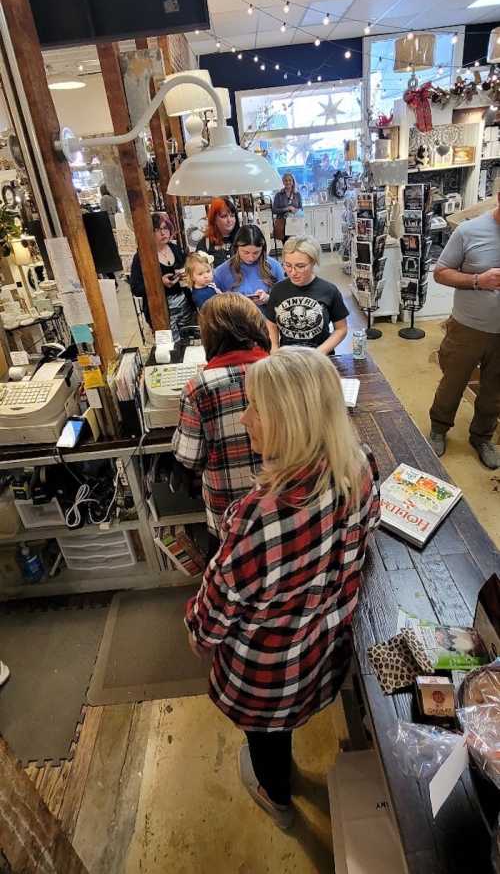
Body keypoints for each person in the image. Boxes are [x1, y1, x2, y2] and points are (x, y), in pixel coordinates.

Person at [185, 348, 380, 828]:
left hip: (268, 673)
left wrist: (194, 624)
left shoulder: (256, 519)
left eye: (255, 407)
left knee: (267, 740)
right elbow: (367, 531)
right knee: (292, 717)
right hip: (321, 650)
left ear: (289, 421)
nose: (244, 417)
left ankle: (278, 800)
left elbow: (208, 626)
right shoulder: (358, 466)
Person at [173, 293, 271, 550]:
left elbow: (190, 457)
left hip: (230, 509)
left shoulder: (198, 388)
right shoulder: (282, 372)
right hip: (281, 501)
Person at [429, 180, 500, 469]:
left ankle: (482, 436)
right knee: (453, 382)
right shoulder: (469, 231)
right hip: (467, 327)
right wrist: (477, 281)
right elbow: (441, 273)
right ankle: (438, 428)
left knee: (495, 389)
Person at [265, 235, 348, 352]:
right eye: (288, 265)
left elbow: (341, 329)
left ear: (313, 262)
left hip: (320, 358)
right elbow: (271, 323)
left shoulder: (329, 291)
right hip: (288, 357)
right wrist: (274, 346)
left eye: (300, 266)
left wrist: (320, 352)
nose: (293, 272)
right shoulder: (277, 290)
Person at [130, 212, 194, 344]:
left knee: (189, 342)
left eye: (165, 228)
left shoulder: (174, 248)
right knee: (171, 347)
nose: (163, 233)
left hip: (184, 303)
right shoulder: (142, 256)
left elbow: (186, 272)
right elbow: (136, 288)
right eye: (157, 230)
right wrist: (159, 283)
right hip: (161, 309)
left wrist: (186, 275)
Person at [214, 224, 284, 309]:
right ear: (236, 248)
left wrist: (268, 299)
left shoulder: (274, 266)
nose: (251, 258)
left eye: (256, 253)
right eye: (246, 252)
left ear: (263, 249)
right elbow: (213, 306)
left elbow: (285, 299)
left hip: (268, 320)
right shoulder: (221, 272)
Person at [196, 197, 240, 267]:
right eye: (224, 216)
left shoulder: (243, 239)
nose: (229, 220)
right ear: (214, 219)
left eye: (232, 216)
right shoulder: (205, 244)